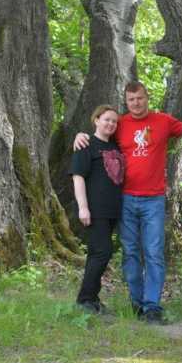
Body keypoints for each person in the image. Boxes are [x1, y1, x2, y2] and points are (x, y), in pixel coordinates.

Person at [74, 81, 182, 324]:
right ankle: (137, 303)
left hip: (153, 200)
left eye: (140, 98)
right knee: (131, 252)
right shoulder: (120, 124)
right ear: (127, 102)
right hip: (124, 199)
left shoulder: (163, 121)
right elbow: (99, 136)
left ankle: (152, 306)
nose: (136, 103)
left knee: (154, 252)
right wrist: (80, 136)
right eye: (131, 99)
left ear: (147, 97)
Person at [69, 105, 126, 314]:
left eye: (114, 121)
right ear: (96, 120)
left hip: (113, 210)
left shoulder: (116, 147)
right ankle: (84, 299)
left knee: (98, 253)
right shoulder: (86, 144)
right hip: (95, 209)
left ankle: (91, 299)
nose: (110, 124)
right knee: (102, 251)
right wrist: (83, 207)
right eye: (106, 119)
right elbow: (78, 176)